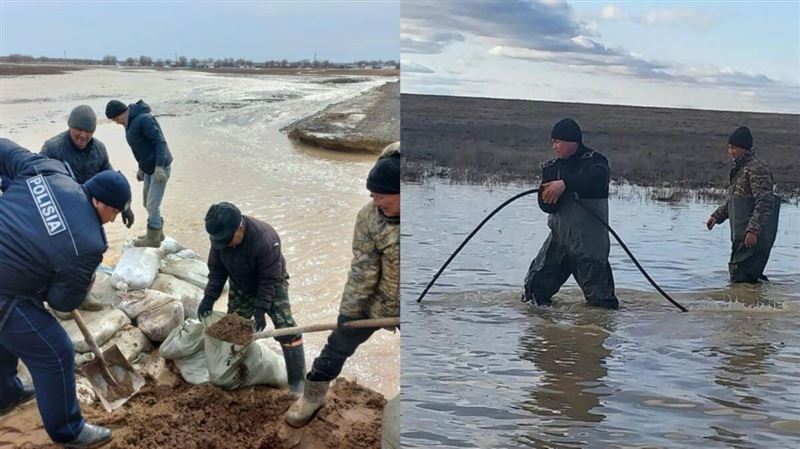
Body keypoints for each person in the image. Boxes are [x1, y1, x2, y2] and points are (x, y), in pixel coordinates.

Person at [0, 138, 131, 448]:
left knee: (9, 334)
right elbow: (62, 302)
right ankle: (69, 431)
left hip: (8, 278)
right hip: (5, 294)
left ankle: (6, 393)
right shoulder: (89, 244)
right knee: (54, 349)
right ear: (102, 202)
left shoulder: (47, 169)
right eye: (116, 212)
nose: (114, 220)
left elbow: (3, 148)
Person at [286, 142, 400, 427]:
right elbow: (363, 270)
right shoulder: (370, 218)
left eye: (382, 197)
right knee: (337, 344)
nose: (377, 202)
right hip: (378, 301)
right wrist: (349, 313)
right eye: (372, 196)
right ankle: (312, 396)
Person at [196, 202, 305, 397]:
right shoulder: (220, 240)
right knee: (233, 327)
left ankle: (298, 383)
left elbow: (268, 279)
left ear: (240, 228)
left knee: (287, 328)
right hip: (240, 282)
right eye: (220, 242)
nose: (225, 245)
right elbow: (217, 272)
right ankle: (236, 372)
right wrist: (208, 299)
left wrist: (260, 309)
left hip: (272, 282)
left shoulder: (265, 239)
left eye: (228, 240)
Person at [522, 118, 619, 309]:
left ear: (572, 142)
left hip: (589, 245)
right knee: (534, 294)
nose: (554, 147)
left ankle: (597, 334)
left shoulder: (595, 162)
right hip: (559, 241)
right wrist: (546, 197)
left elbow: (598, 179)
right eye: (552, 142)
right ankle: (545, 332)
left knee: (602, 303)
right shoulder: (551, 168)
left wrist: (565, 184)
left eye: (557, 142)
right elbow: (546, 206)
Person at [40, 105, 134, 229]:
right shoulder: (52, 148)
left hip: (90, 213)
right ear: (70, 126)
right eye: (79, 129)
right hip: (62, 212)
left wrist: (125, 207)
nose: (83, 135)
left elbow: (112, 182)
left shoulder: (99, 149)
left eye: (88, 131)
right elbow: (38, 182)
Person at [706, 127, 780, 283]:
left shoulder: (757, 168)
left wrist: (753, 229)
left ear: (744, 149)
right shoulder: (740, 169)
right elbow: (736, 200)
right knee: (743, 278)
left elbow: (765, 202)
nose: (730, 151)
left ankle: (749, 306)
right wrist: (717, 216)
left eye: (734, 148)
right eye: (729, 147)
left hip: (753, 237)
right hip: (741, 236)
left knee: (742, 277)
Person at [105, 99, 172, 247]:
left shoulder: (144, 119)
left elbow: (160, 142)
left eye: (116, 119)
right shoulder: (129, 123)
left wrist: (160, 166)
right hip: (148, 169)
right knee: (146, 202)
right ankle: (156, 233)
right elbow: (141, 149)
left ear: (122, 112)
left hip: (159, 169)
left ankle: (153, 239)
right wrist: (141, 168)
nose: (116, 122)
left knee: (152, 204)